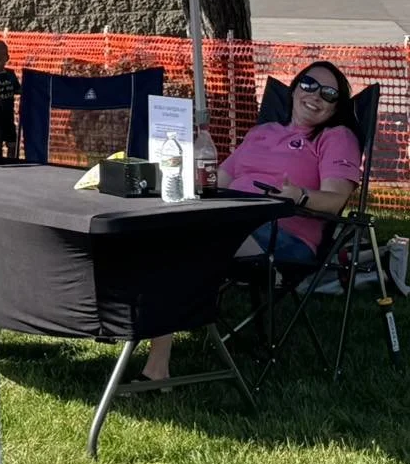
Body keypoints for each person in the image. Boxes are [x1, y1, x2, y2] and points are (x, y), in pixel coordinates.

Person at [142, 61, 362, 381]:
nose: (316, 96)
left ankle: (156, 365)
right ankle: (141, 336)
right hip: (232, 219)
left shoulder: (336, 137)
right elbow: (220, 181)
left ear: (336, 106)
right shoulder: (262, 132)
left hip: (283, 235)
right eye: (309, 85)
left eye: (329, 94)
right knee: (158, 232)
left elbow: (335, 201)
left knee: (181, 244)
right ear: (295, 88)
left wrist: (297, 194)